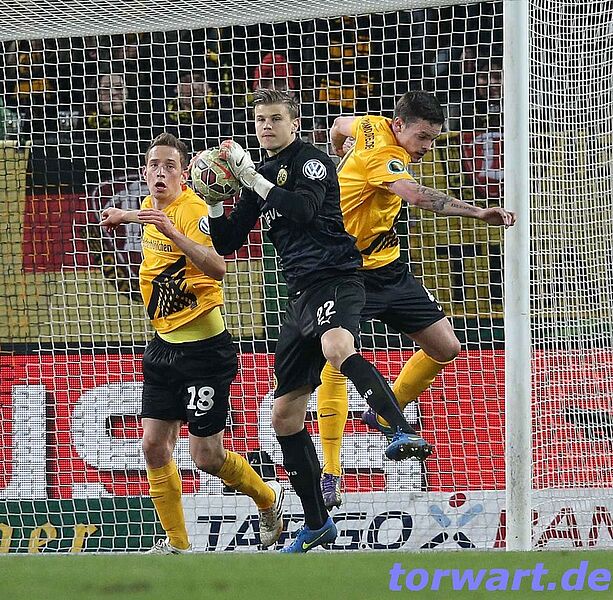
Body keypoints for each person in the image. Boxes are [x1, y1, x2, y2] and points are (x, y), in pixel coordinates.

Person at [202, 89, 430, 554]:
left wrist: (251, 179)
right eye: (260, 120)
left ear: (295, 124)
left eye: (275, 119)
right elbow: (226, 242)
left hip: (336, 276)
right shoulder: (259, 175)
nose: (266, 127)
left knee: (338, 348)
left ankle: (399, 426)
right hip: (299, 297)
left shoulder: (312, 162)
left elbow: (303, 210)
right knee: (284, 417)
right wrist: (214, 199)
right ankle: (316, 523)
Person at [316, 90, 517, 509]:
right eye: (422, 137)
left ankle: (385, 411)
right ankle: (330, 471)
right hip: (345, 272)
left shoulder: (370, 123)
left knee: (446, 347)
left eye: (433, 139)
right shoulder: (384, 156)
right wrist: (479, 213)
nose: (426, 147)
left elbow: (337, 126)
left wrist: (338, 157)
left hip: (389, 267)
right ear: (400, 125)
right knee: (337, 358)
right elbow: (418, 196)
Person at [98, 132, 284, 553]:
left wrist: (170, 231)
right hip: (162, 347)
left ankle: (267, 497)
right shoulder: (150, 206)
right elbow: (150, 215)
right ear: (144, 172)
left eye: (169, 166)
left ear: (184, 175)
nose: (160, 172)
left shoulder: (193, 210)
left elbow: (217, 268)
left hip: (204, 352)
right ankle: (177, 544)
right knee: (152, 445)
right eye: (154, 165)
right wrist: (123, 216)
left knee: (206, 457)